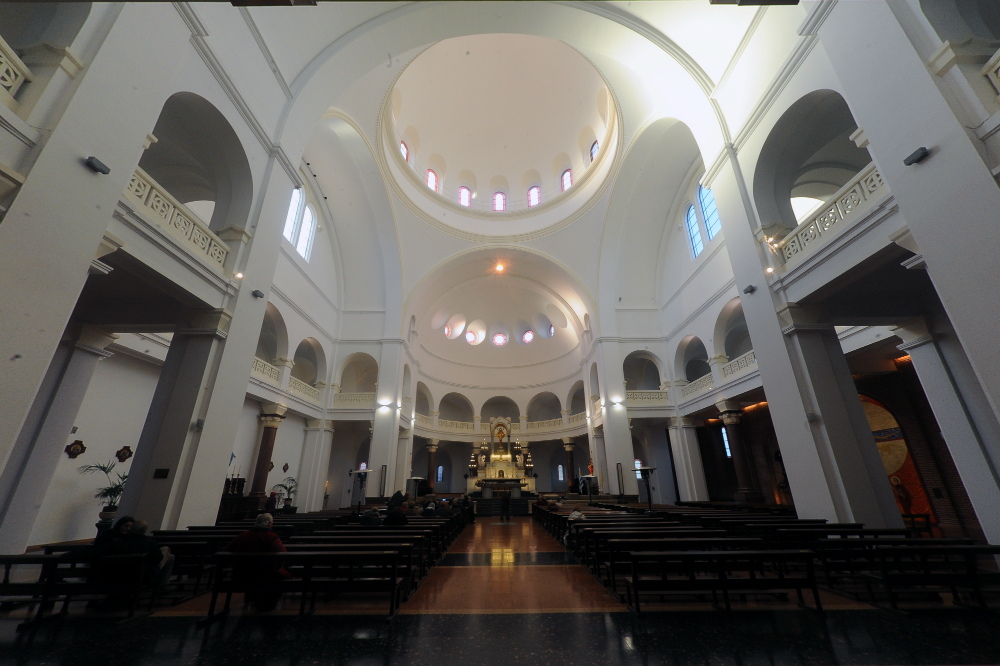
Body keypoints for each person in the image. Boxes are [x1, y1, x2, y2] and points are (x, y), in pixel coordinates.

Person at [224, 513, 290, 611]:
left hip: (240, 574)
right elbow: (283, 553)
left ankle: (252, 596)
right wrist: (277, 566)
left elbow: (227, 552)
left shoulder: (242, 535)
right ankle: (268, 602)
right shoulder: (271, 536)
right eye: (272, 522)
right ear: (269, 523)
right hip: (264, 573)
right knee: (286, 576)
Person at [107, 520, 174, 590]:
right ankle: (161, 587)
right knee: (167, 552)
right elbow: (158, 559)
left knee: (170, 556)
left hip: (118, 575)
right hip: (144, 575)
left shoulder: (117, 542)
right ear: (143, 530)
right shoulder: (149, 543)